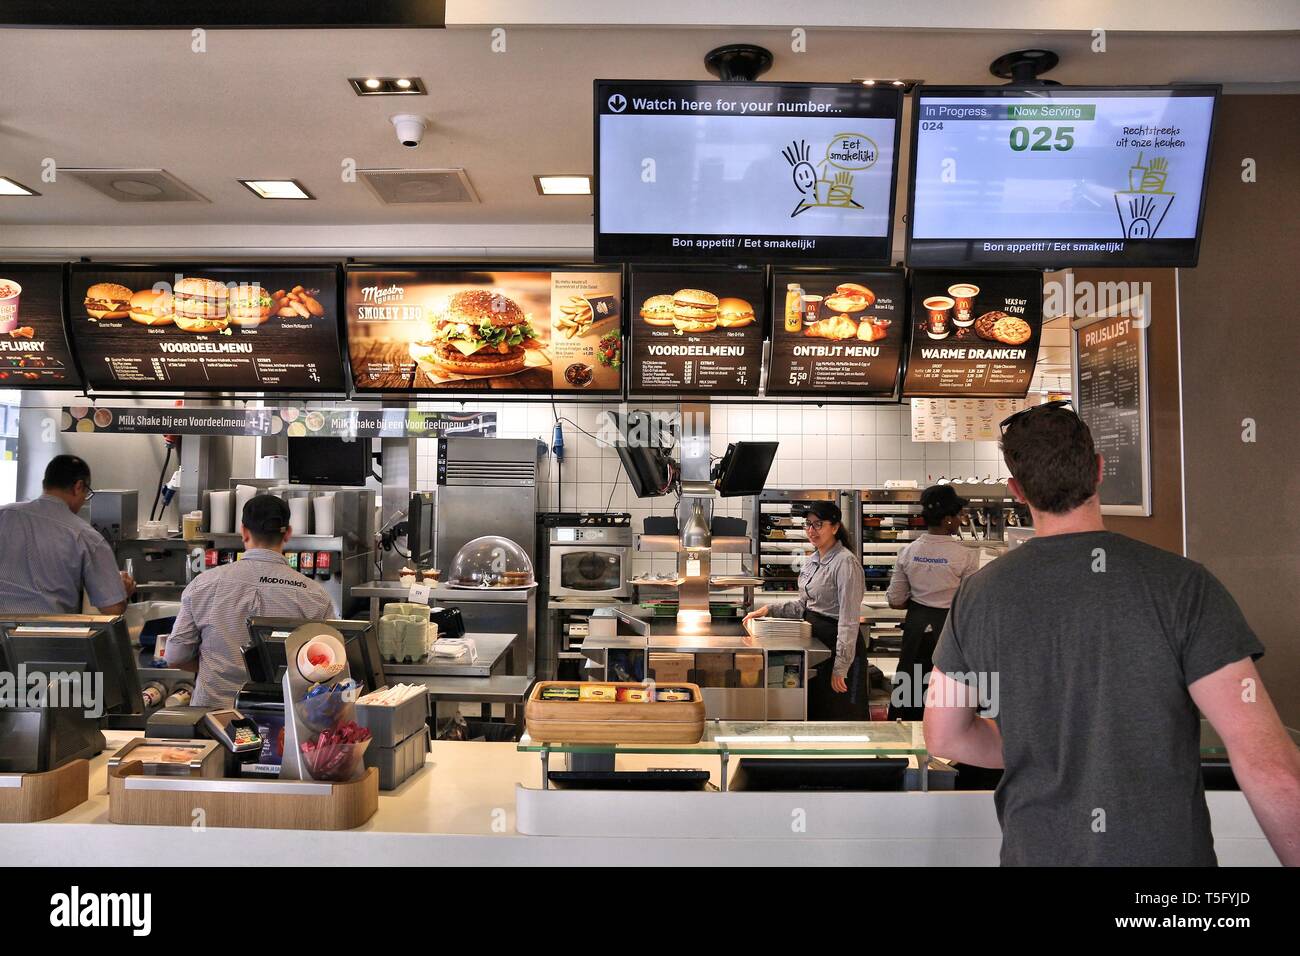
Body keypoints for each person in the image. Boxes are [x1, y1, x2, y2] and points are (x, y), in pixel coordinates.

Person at [924, 401, 1300, 866]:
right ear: (1099, 471)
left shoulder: (979, 595)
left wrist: (1041, 745)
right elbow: (1269, 766)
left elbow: (944, 737)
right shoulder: (1181, 585)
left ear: (1016, 491)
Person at [165, 494, 332, 709]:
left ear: (243, 532)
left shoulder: (204, 584)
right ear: (288, 533)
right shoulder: (314, 594)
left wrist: (217, 666)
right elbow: (328, 666)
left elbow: (175, 657)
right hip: (281, 721)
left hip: (213, 720)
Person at [744, 499, 866, 720]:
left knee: (841, 713)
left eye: (818, 524)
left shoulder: (845, 563)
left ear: (835, 527)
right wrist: (768, 609)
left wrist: (841, 666)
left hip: (837, 644)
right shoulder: (812, 560)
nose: (811, 530)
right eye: (808, 524)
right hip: (816, 642)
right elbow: (804, 606)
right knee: (818, 709)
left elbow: (848, 620)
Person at [885, 484, 980, 719]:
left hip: (916, 630)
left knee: (910, 695)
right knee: (949, 699)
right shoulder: (965, 556)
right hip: (951, 634)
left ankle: (905, 746)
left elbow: (895, 600)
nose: (960, 520)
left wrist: (920, 602)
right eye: (957, 516)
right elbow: (970, 605)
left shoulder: (907, 552)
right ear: (948, 519)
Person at [0, 454, 134, 615]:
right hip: (47, 635)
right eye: (87, 493)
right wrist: (123, 591)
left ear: (45, 484)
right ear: (78, 486)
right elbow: (112, 609)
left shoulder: (4, 514)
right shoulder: (86, 536)